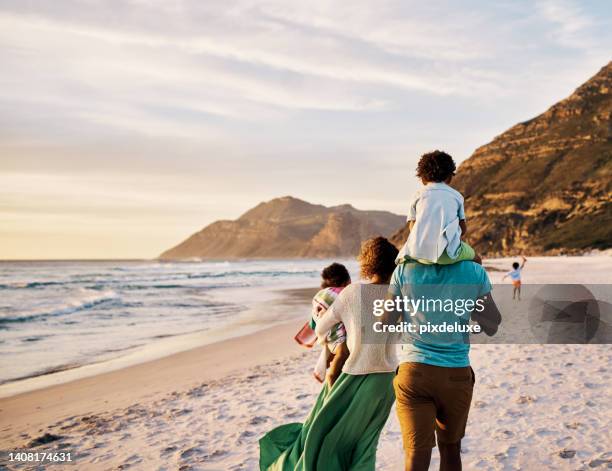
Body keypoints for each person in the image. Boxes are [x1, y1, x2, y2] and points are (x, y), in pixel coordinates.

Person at [260, 237, 399, 470]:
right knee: (366, 444)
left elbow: (322, 327)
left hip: (355, 377)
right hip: (386, 381)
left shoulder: (353, 292)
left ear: (367, 264)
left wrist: (339, 340)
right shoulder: (400, 295)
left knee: (326, 437)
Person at [387, 260, 501, 471]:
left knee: (415, 453)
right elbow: (492, 324)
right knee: (450, 448)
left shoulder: (403, 270)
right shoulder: (475, 271)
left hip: (414, 373)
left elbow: (386, 322)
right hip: (456, 375)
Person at [396, 150, 481, 265]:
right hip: (449, 255)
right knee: (477, 260)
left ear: (422, 178)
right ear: (450, 176)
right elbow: (463, 228)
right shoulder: (456, 196)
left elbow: (412, 226)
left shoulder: (417, 195)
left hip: (419, 254)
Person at [300, 262, 351, 385]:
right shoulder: (344, 293)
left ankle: (332, 366)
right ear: (346, 280)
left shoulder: (320, 295)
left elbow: (313, 320)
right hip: (339, 337)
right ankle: (332, 377)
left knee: (338, 353)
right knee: (342, 352)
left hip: (326, 337)